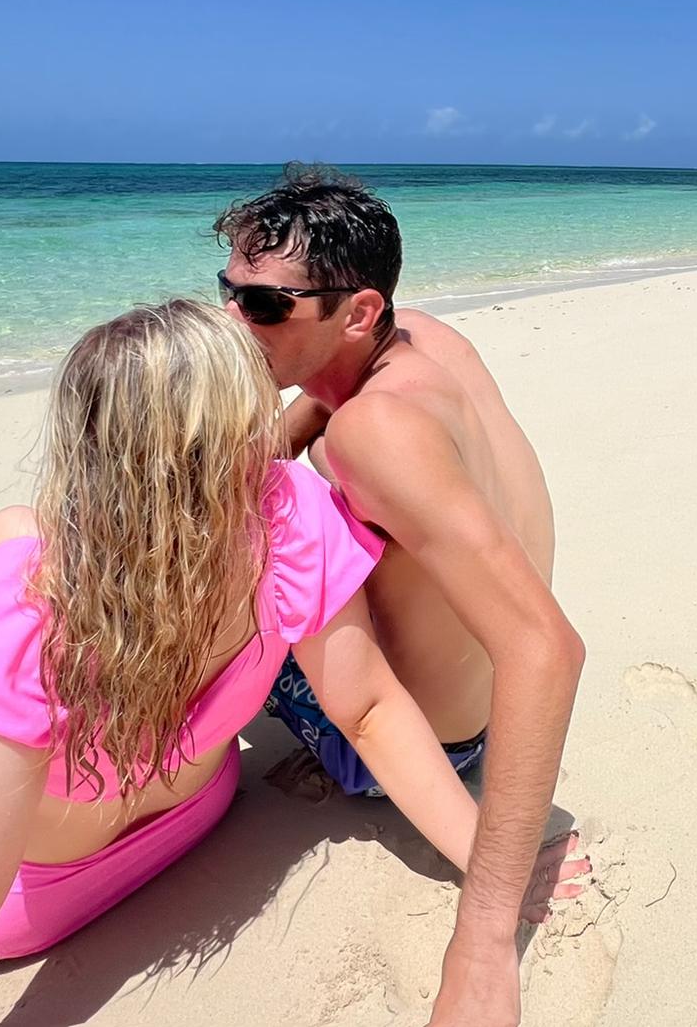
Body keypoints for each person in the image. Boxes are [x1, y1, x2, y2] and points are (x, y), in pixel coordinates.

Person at [0, 301, 583, 1027]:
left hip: (21, 903)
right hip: (196, 812)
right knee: (10, 531)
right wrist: (492, 863)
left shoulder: (12, 620)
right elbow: (369, 710)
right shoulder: (290, 515)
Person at [215, 166, 585, 1027]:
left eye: (266, 306)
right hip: (471, 712)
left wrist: (484, 943)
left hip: (413, 751)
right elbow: (312, 417)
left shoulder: (374, 435)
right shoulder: (420, 340)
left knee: (208, 566)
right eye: (228, 292)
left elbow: (547, 648)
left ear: (358, 312)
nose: (233, 319)